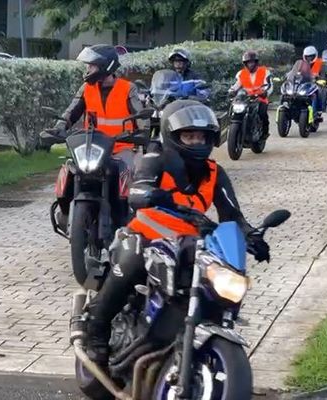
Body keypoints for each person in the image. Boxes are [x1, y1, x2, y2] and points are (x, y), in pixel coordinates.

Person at [83, 99, 271, 367]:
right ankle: (96, 329)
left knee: (217, 280)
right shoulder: (155, 160)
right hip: (144, 238)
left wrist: (252, 236)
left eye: (201, 136)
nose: (196, 142)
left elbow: (232, 215)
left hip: (189, 244)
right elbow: (137, 192)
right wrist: (156, 196)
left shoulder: (215, 173)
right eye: (188, 135)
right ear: (172, 136)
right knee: (132, 258)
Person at [44, 44, 146, 230]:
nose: (87, 69)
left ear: (105, 66)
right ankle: (65, 211)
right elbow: (70, 113)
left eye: (91, 66)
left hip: (120, 149)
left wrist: (142, 132)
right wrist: (59, 128)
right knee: (70, 170)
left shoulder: (127, 89)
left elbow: (140, 117)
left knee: (130, 179)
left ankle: (129, 219)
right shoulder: (86, 88)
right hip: (90, 149)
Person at [230, 50, 273, 138]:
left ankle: (264, 132)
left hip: (259, 98)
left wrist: (265, 92)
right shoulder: (241, 73)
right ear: (245, 63)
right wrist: (231, 91)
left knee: (262, 113)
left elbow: (269, 85)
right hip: (245, 98)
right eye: (248, 62)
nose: (251, 64)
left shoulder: (264, 72)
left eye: (252, 62)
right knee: (233, 109)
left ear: (256, 62)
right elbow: (236, 85)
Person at [302, 45, 325, 120]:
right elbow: (296, 72)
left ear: (315, 55)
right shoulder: (301, 63)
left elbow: (323, 74)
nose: (309, 58)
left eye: (311, 56)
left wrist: (321, 79)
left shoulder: (320, 63)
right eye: (307, 56)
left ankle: (317, 111)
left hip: (315, 84)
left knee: (319, 92)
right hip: (304, 84)